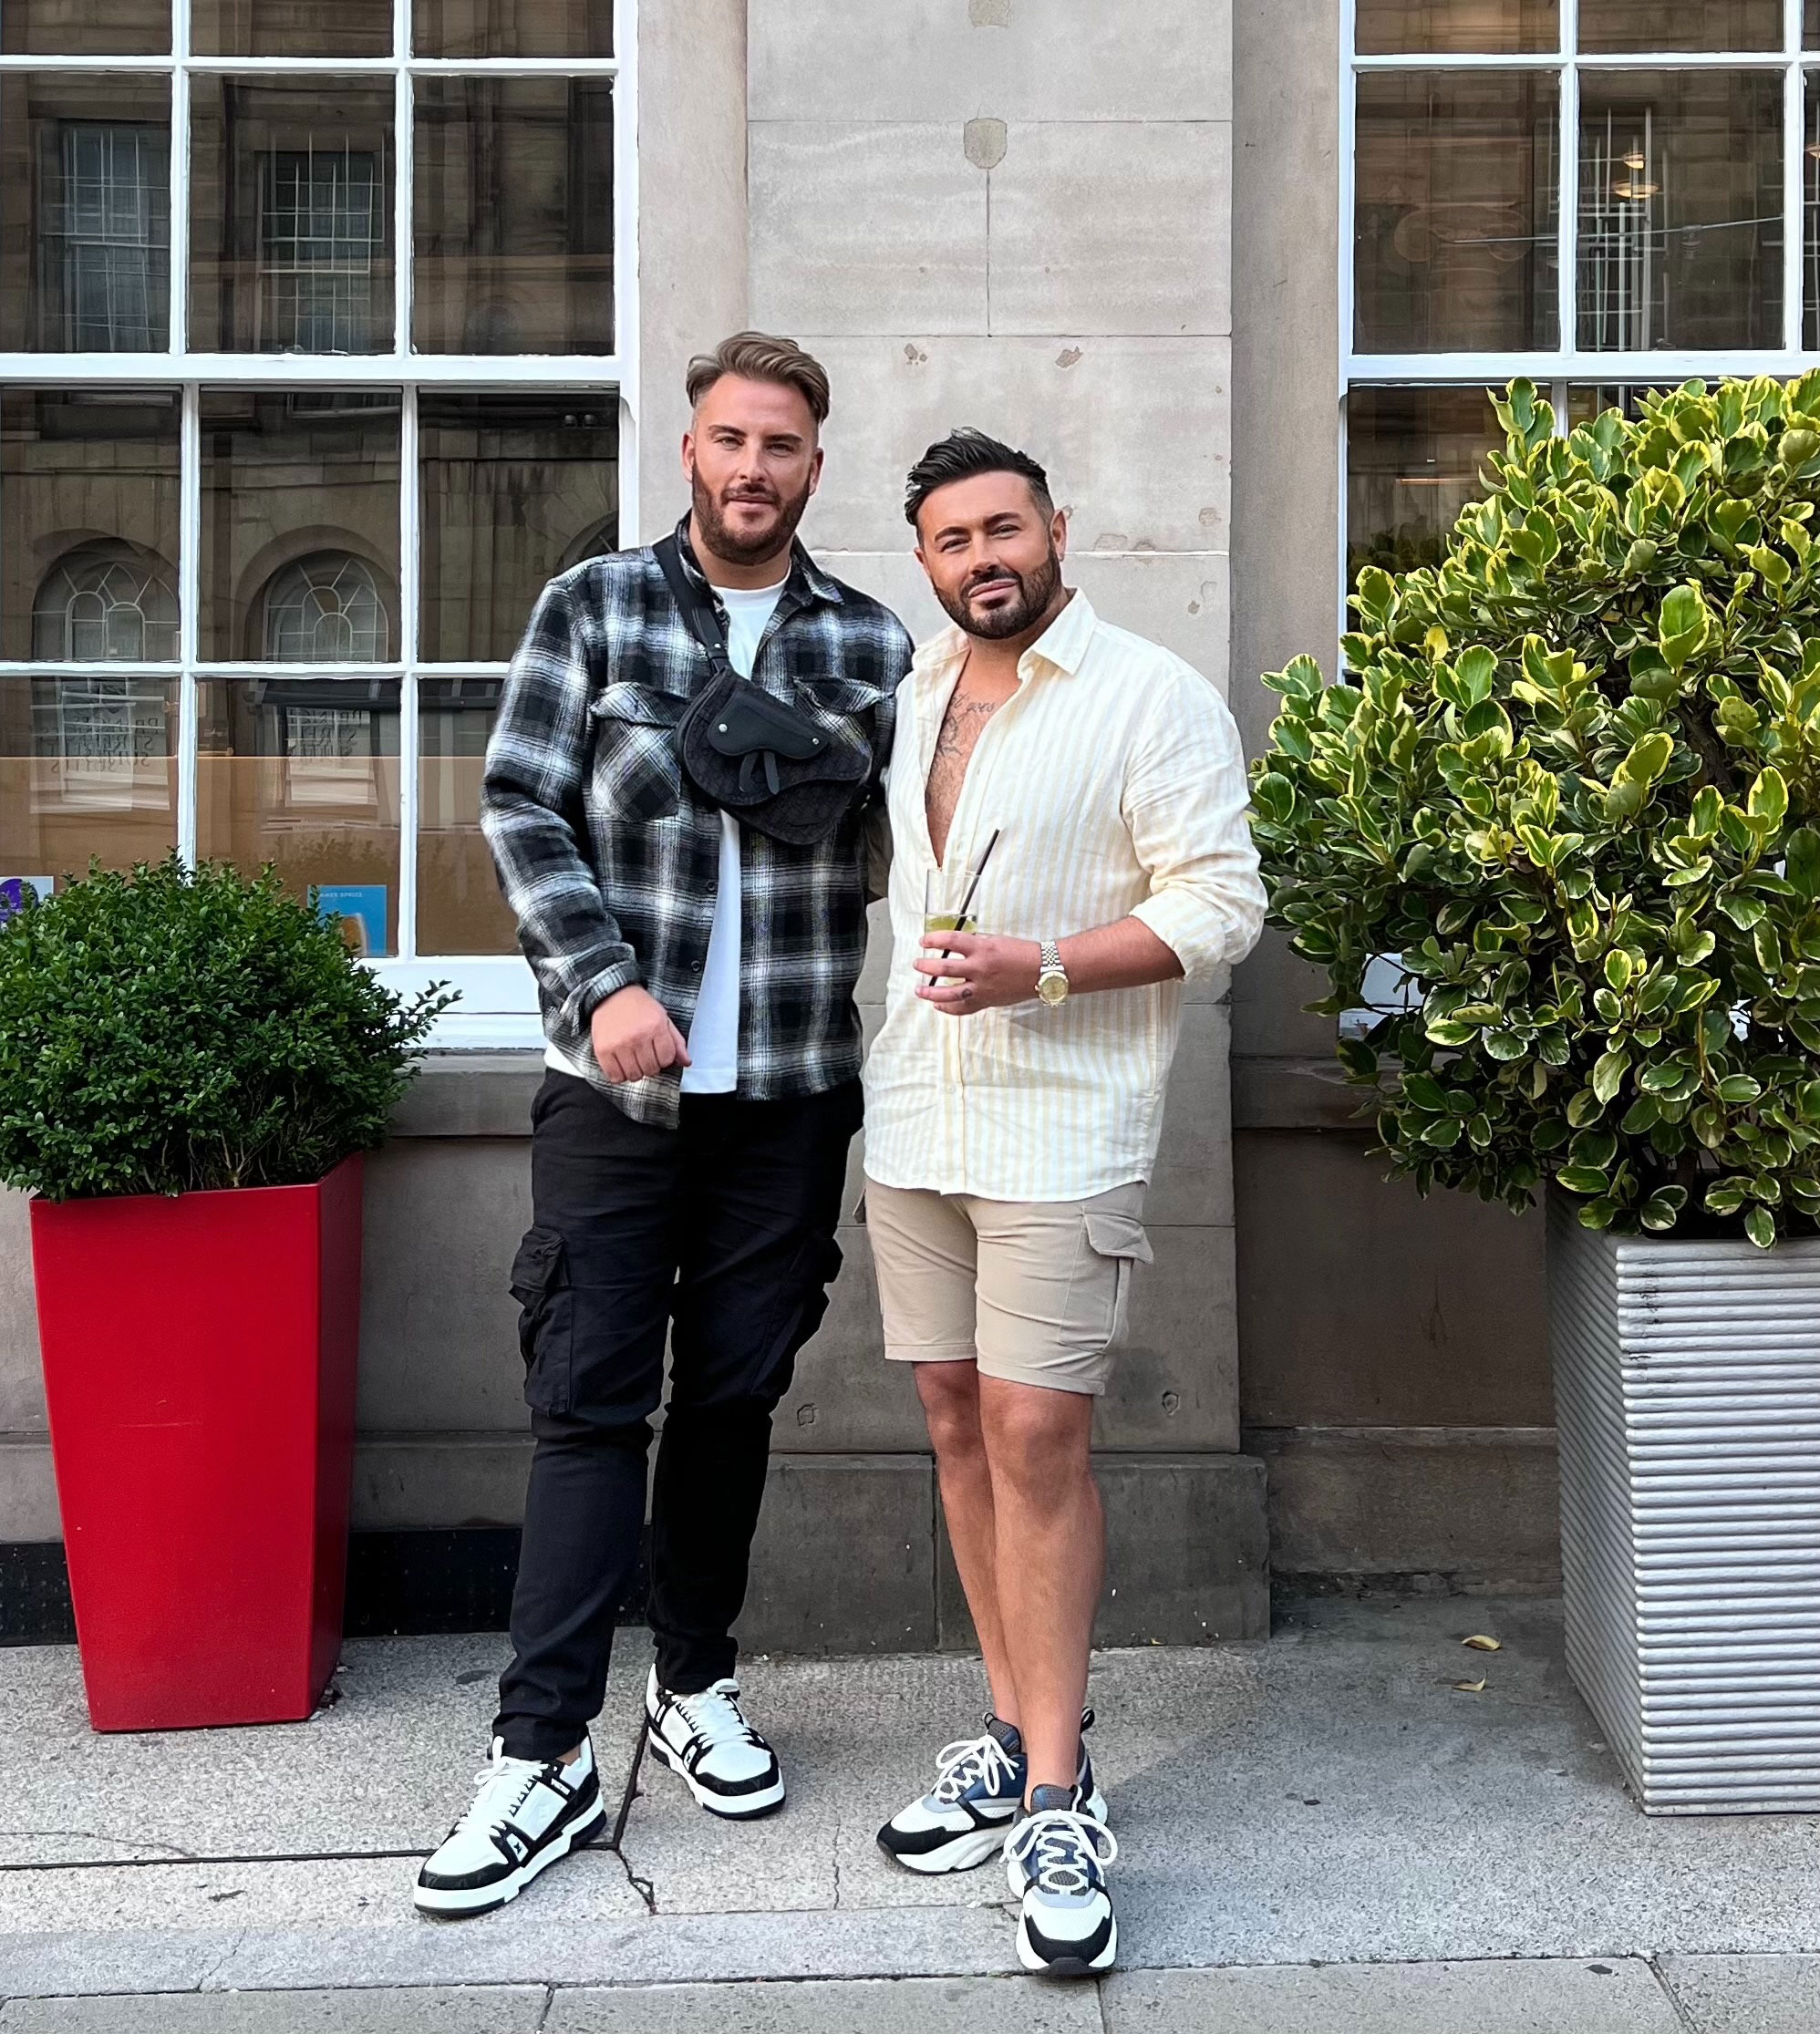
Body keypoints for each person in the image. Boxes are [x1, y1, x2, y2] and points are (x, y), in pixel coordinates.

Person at [414, 334, 912, 1918]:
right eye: (726, 439)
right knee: (589, 1400)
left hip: (786, 1089)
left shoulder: (873, 644)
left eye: (780, 444)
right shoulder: (596, 607)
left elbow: (924, 835)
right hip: (616, 1092)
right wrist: (604, 977)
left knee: (736, 1400)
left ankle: (694, 1686)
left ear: (814, 466)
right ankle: (541, 1750)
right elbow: (516, 799)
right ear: (687, 452)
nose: (751, 467)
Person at [865, 429, 1265, 1975]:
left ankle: (1056, 1790)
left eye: (1006, 529)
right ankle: (1010, 1721)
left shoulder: (1149, 696)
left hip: (1066, 1120)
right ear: (927, 562)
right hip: (918, 1114)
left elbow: (1221, 903)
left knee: (1040, 1434)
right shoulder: (914, 701)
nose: (986, 559)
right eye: (956, 540)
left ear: (1057, 530)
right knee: (958, 1421)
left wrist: (1041, 968)